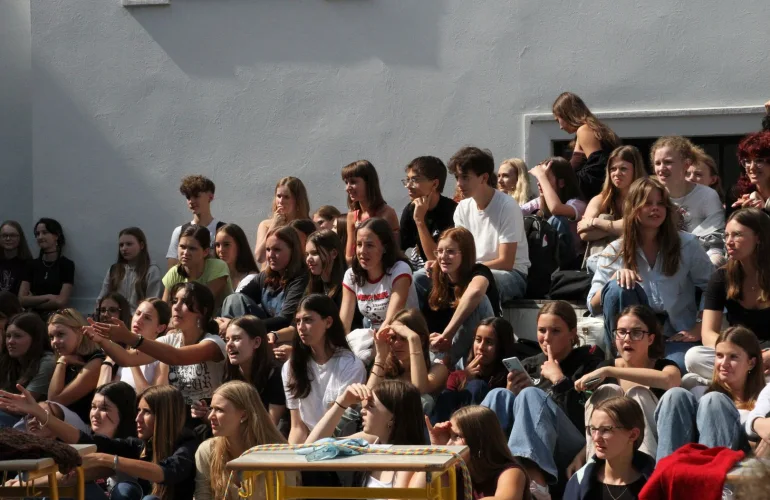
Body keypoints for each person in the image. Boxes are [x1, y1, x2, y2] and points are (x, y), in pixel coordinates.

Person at [587, 177, 713, 370]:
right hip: (632, 339)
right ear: (633, 208)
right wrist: (613, 279)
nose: (655, 209)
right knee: (616, 288)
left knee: (675, 369)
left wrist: (699, 326)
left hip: (674, 334)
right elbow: (592, 304)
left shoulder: (687, 244)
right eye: (648, 203)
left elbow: (711, 287)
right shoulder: (615, 250)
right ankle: (624, 359)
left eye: (660, 204)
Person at [480, 301, 604, 496]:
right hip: (520, 446)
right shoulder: (529, 364)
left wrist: (560, 381)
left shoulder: (588, 363)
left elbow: (586, 417)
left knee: (531, 394)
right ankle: (479, 467)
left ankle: (535, 484)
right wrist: (512, 392)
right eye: (541, 330)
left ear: (572, 334)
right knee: (499, 395)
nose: (546, 338)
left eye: (555, 331)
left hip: (571, 447)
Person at [2, 383, 198, 500]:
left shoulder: (188, 444)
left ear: (165, 416)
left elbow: (168, 472)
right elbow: (86, 440)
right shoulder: (138, 446)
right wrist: (38, 412)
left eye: (146, 412)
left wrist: (107, 459)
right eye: (138, 411)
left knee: (134, 493)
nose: (138, 418)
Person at [88, 282, 226, 411]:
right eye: (175, 301)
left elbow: (176, 356)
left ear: (203, 311)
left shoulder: (214, 343)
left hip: (208, 417)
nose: (176, 307)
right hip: (177, 417)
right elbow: (127, 358)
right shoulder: (171, 340)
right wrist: (102, 340)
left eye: (185, 302)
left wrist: (128, 336)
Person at [576, 305, 681, 460]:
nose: (627, 339)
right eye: (621, 332)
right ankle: (595, 464)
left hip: (653, 448)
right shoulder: (606, 368)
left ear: (650, 339)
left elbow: (670, 380)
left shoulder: (664, 366)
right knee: (607, 390)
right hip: (612, 451)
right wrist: (579, 456)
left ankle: (645, 467)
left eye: (636, 332)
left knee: (638, 393)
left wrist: (610, 371)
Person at [0, 381, 139, 498]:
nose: (95, 414)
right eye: (93, 407)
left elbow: (76, 473)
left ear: (123, 412)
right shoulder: (83, 442)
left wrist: (24, 485)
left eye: (104, 408)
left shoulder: (130, 446)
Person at [684, 208, 770, 383]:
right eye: (726, 235)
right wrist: (740, 352)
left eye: (737, 235)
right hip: (737, 353)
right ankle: (752, 381)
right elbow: (708, 333)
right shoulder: (721, 278)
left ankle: (741, 382)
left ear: (759, 237)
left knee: (692, 380)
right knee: (694, 357)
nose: (729, 242)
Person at [655, 326, 765, 461]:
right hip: (692, 460)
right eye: (719, 356)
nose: (724, 363)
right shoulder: (698, 392)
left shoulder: (763, 401)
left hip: (739, 463)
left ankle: (711, 472)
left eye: (733, 357)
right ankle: (666, 470)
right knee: (675, 395)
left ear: (751, 363)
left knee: (715, 400)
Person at [443, 146, 530, 303]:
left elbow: (506, 262)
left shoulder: (507, 206)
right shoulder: (462, 207)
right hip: (473, 271)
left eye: (465, 177)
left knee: (478, 284)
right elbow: (460, 251)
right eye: (457, 177)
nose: (459, 183)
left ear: (484, 178)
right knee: (421, 278)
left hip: (512, 275)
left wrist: (469, 269)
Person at [306, 380, 426, 489]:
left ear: (392, 417)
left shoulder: (412, 459)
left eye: (371, 406)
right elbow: (310, 448)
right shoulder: (369, 441)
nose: (362, 410)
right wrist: (342, 402)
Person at [195, 380, 297, 500]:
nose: (210, 416)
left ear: (244, 415)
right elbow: (203, 495)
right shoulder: (207, 451)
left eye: (219, 410)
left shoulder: (278, 454)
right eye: (211, 408)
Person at [284, 294, 366, 443]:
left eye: (308, 320)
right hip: (308, 445)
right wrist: (294, 456)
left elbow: (341, 425)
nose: (301, 327)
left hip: (340, 443)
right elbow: (297, 427)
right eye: (298, 321)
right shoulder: (291, 366)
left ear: (328, 322)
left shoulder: (350, 365)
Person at [421, 227, 499, 364]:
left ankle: (443, 365)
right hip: (444, 353)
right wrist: (430, 340)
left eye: (450, 251)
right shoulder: (438, 284)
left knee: (479, 299)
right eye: (439, 251)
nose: (443, 256)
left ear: (465, 254)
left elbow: (476, 291)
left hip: (478, 351)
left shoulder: (480, 271)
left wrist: (447, 335)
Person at [221, 225, 309, 345]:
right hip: (256, 331)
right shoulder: (265, 276)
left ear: (293, 251)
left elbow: (285, 320)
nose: (270, 255)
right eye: (268, 249)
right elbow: (238, 300)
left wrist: (237, 324)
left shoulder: (301, 279)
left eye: (277, 250)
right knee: (233, 298)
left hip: (282, 336)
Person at [424, 406, 530, 500]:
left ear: (479, 441)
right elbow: (420, 492)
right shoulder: (454, 472)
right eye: (449, 436)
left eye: (457, 436)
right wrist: (437, 451)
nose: (449, 444)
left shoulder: (511, 472)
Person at [651, 136, 725, 266]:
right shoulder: (650, 195)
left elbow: (715, 243)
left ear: (686, 164)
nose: (661, 168)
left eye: (668, 162)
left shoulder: (707, 195)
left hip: (701, 260)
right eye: (657, 163)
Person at [564, 397, 654, 500]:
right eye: (593, 429)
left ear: (633, 435)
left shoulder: (656, 484)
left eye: (606, 430)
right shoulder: (579, 483)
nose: (596, 438)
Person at [340, 217, 419, 333]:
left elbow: (392, 320)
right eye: (359, 244)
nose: (362, 251)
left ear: (385, 248)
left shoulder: (400, 270)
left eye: (369, 245)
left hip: (403, 335)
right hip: (375, 336)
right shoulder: (351, 275)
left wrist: (376, 343)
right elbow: (344, 322)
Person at [433, 317, 517, 423]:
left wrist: (508, 394)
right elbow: (444, 405)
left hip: (490, 428)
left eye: (489, 342)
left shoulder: (510, 379)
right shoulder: (458, 375)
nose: (481, 347)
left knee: (478, 386)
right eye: (478, 340)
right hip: (452, 427)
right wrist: (464, 378)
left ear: (502, 347)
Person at [578, 146, 647, 272]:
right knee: (605, 216)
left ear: (635, 170)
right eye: (613, 169)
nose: (617, 173)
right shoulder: (601, 199)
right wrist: (619, 228)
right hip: (602, 259)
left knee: (603, 219)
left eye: (623, 169)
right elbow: (584, 233)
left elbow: (640, 225)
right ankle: (602, 268)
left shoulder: (645, 197)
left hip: (636, 257)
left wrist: (597, 223)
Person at [367, 309, 449, 414]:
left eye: (404, 338)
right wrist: (380, 357)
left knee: (423, 400)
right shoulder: (385, 366)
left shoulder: (438, 369)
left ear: (421, 340)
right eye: (393, 337)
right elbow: (367, 397)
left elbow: (419, 390)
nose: (397, 344)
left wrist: (413, 338)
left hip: (414, 423)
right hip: (380, 420)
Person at [552, 92, 622, 199]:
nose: (560, 127)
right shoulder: (591, 129)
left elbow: (596, 170)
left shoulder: (584, 130)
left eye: (558, 120)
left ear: (567, 114)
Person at [95, 298, 171, 393]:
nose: (138, 320)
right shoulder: (123, 350)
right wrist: (107, 363)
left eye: (147, 318)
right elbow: (103, 395)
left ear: (160, 328)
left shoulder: (161, 357)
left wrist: (131, 360)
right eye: (138, 313)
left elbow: (154, 399)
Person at [221, 316, 286, 425]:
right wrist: (205, 413)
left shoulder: (276, 374)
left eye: (236, 339)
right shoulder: (230, 372)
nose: (229, 345)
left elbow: (271, 425)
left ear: (256, 342)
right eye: (227, 340)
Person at [524, 157, 587, 267]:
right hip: (543, 259)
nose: (539, 183)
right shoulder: (538, 201)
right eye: (539, 179)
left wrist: (541, 176)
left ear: (561, 182)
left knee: (558, 219)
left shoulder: (577, 204)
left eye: (546, 178)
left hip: (570, 261)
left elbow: (556, 208)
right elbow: (518, 212)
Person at [47, 308, 105, 427]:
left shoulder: (97, 361)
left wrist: (62, 361)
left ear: (80, 332)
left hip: (86, 428)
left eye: (60, 334)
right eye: (51, 337)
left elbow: (54, 403)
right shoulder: (68, 359)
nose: (54, 342)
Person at [399, 156, 457, 271]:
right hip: (421, 269)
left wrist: (419, 221)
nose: (408, 186)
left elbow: (439, 260)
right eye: (407, 180)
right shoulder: (410, 210)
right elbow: (399, 250)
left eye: (415, 180)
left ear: (435, 184)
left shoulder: (452, 211)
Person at [0, 312, 54, 427]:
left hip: (34, 422)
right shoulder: (8, 360)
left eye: (18, 336)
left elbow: (23, 404)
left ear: (35, 339)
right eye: (8, 336)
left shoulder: (47, 362)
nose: (10, 341)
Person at [341, 160, 400, 263]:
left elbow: (395, 251)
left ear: (368, 183)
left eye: (353, 182)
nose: (347, 188)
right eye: (346, 183)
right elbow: (349, 256)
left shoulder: (387, 213)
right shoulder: (352, 216)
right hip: (359, 268)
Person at [162, 224, 232, 308]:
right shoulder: (174, 272)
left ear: (205, 252)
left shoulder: (218, 267)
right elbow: (164, 310)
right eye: (182, 247)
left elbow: (201, 305)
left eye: (192, 248)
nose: (185, 253)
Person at [98, 227, 163, 314]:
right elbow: (102, 299)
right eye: (121, 245)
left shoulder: (151, 270)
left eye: (129, 244)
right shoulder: (114, 270)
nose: (124, 248)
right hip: (114, 318)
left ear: (141, 245)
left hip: (139, 319)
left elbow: (153, 304)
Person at [18, 218, 74, 317]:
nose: (40, 237)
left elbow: (61, 301)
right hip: (32, 317)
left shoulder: (66, 265)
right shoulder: (31, 265)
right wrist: (49, 297)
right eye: (37, 234)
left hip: (55, 317)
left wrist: (32, 302)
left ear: (56, 236)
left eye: (44, 233)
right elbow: (21, 299)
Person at [166, 174, 224, 269]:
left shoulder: (223, 230)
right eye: (188, 197)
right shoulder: (180, 231)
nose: (191, 201)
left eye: (196, 196)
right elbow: (172, 267)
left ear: (210, 197)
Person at [254, 177, 311, 267]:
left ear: (297, 200)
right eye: (278, 196)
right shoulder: (265, 225)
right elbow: (260, 257)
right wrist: (274, 225)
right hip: (270, 274)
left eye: (286, 197)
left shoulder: (308, 227)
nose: (281, 201)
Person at [305, 229, 347, 306]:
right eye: (307, 254)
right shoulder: (313, 285)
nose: (308, 259)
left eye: (315, 253)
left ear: (334, 253)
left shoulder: (347, 287)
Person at [731, 131, 770, 211]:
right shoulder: (737, 195)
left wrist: (763, 212)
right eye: (747, 161)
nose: (752, 167)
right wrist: (745, 213)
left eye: (759, 161)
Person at [214, 223, 260, 292]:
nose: (220, 250)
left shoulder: (251, 278)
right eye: (217, 245)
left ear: (239, 246)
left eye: (226, 244)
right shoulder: (212, 278)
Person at [0, 220, 32, 295]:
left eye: (12, 235)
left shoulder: (29, 264)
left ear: (20, 238)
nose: (8, 238)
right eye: (4, 235)